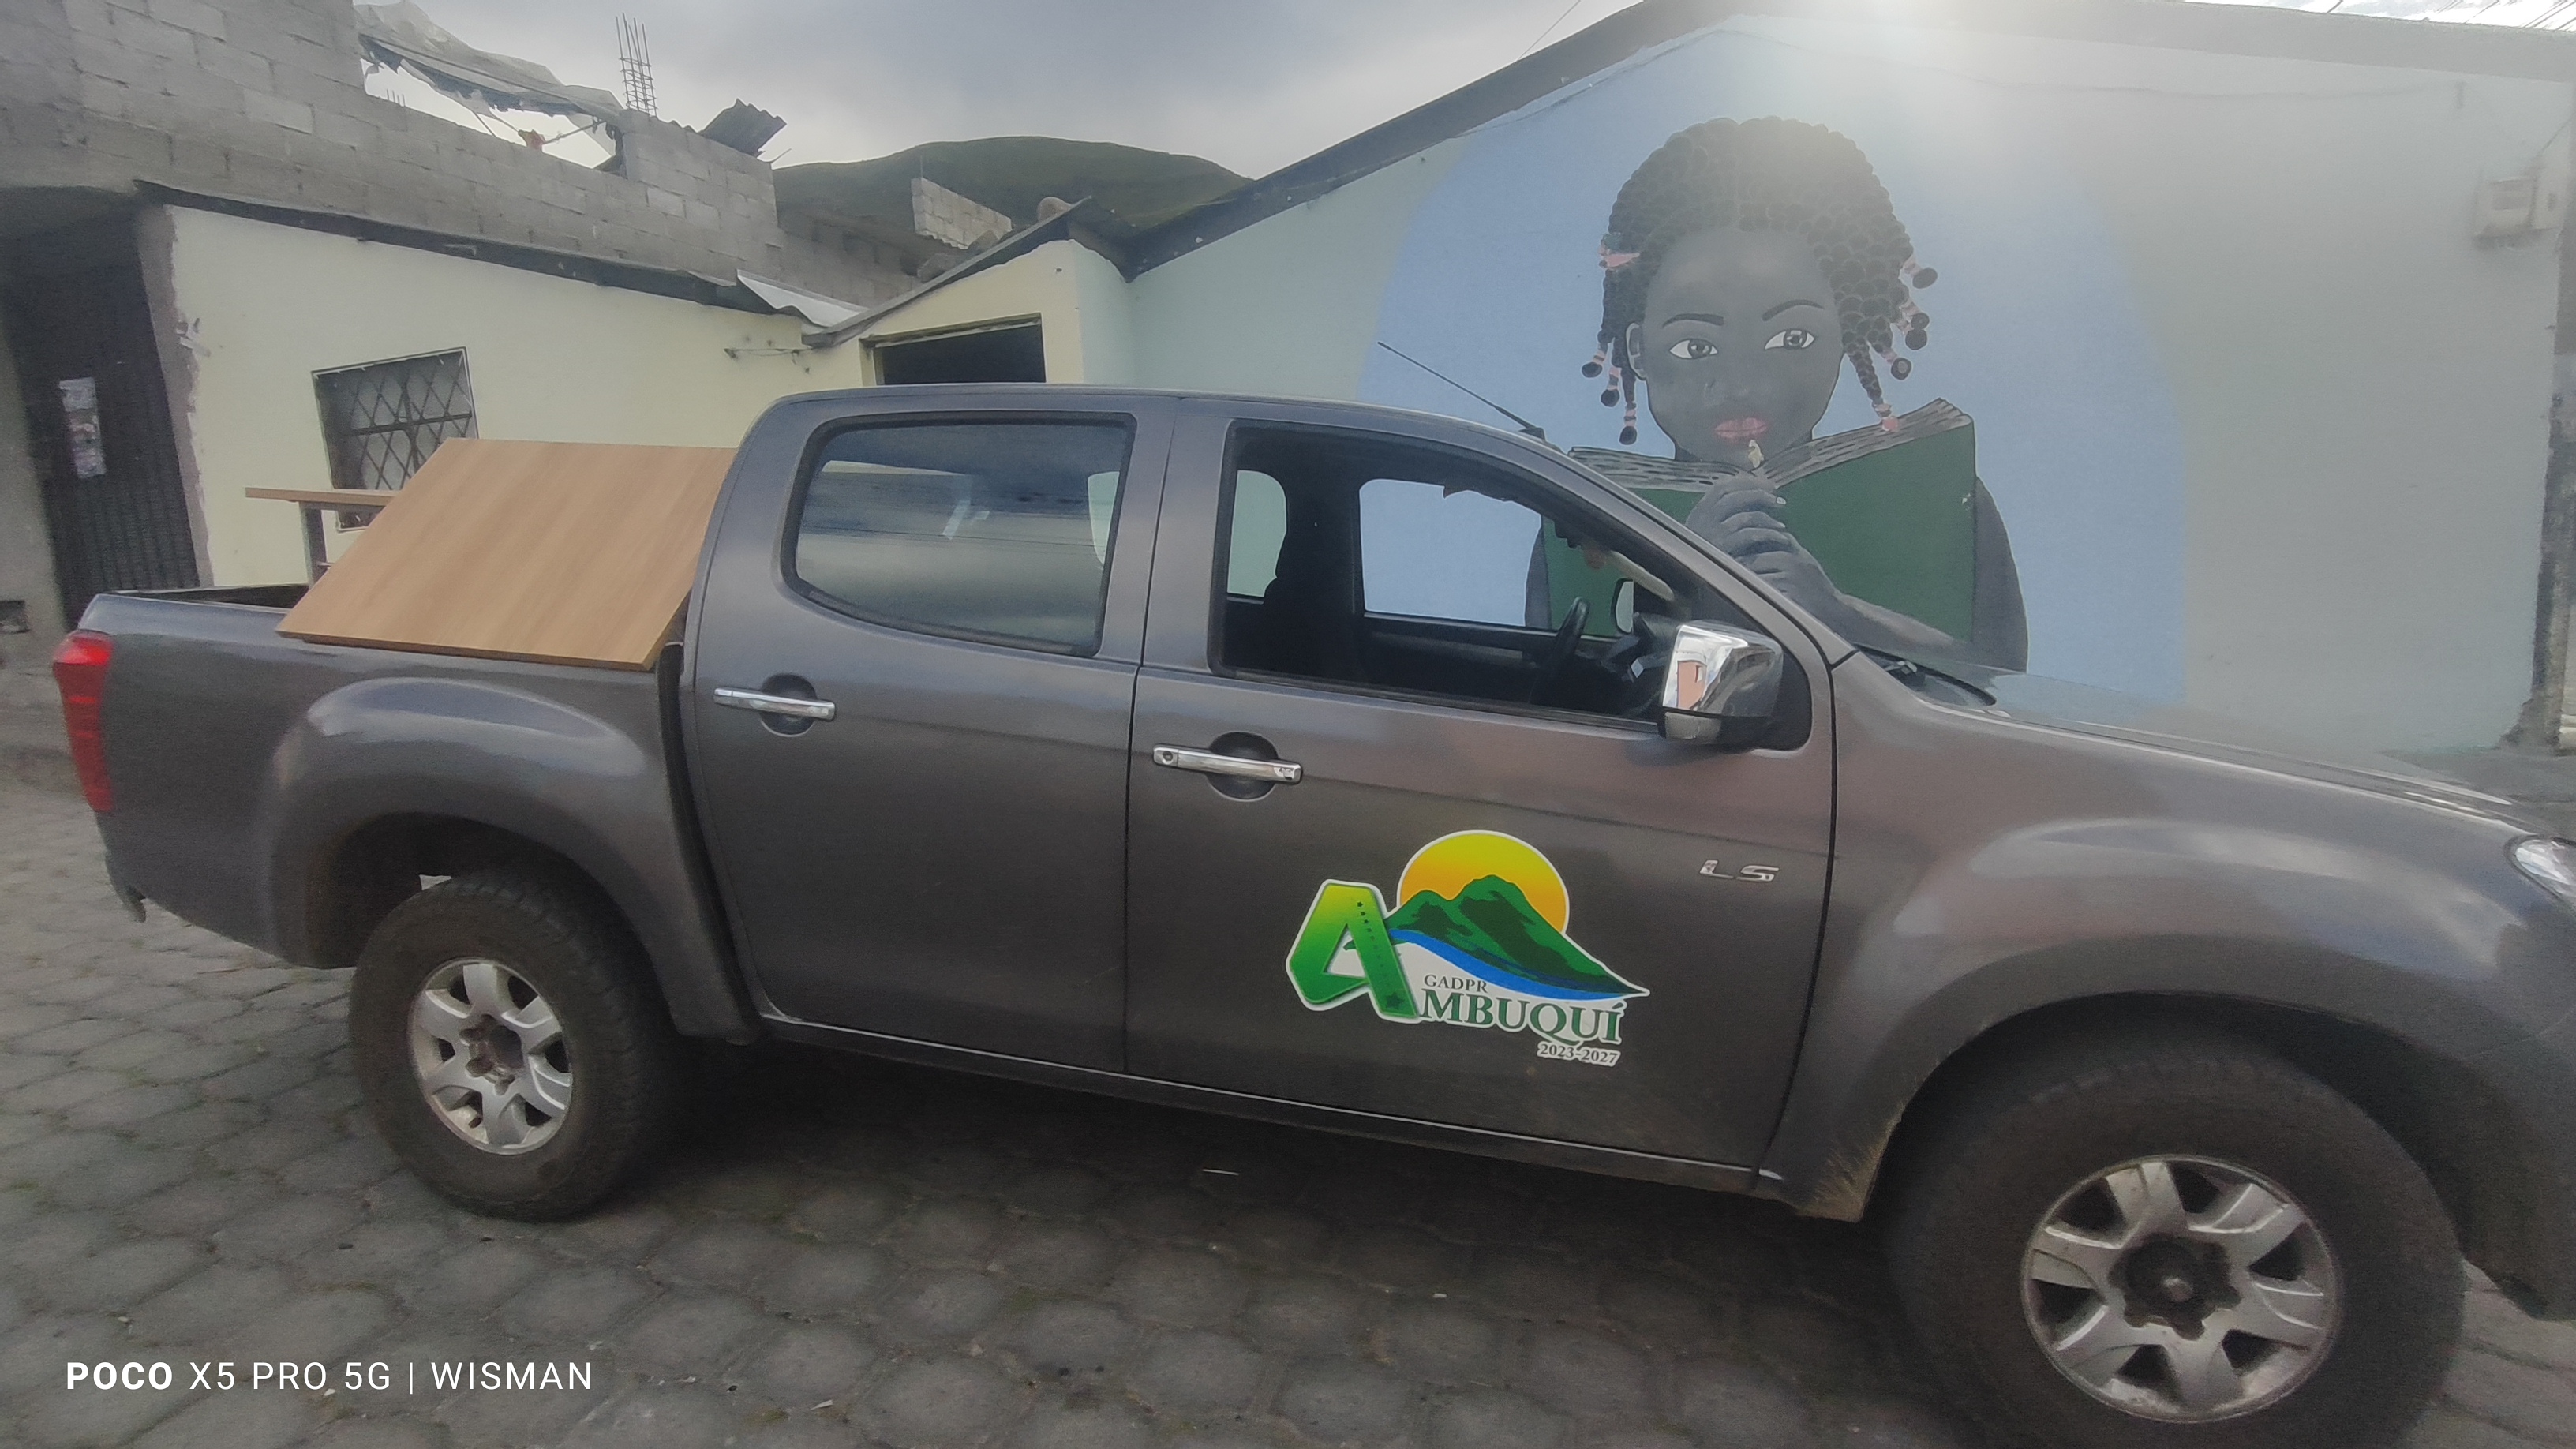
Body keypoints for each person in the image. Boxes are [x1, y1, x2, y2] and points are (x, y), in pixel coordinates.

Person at [1574, 116, 2027, 671]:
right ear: (1639, 351)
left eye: (1792, 338)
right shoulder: (1581, 520)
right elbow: (1556, 701)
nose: (1743, 383)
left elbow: (2002, 683)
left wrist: (1836, 615)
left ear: (1845, 334)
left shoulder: (1945, 498)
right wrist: (1685, 582)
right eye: (1696, 346)